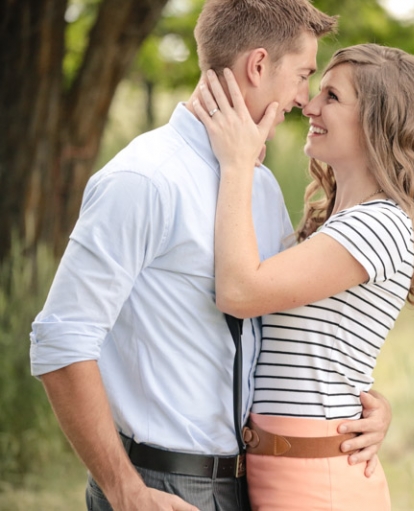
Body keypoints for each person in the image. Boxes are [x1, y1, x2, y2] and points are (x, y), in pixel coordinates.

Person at [29, 2, 392, 511]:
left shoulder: (259, 187)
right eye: (303, 75)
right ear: (258, 66)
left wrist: (365, 405)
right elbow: (61, 339)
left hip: (249, 482)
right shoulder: (144, 178)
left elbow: (282, 326)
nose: (304, 99)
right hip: (161, 485)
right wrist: (124, 489)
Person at [194, 43, 414, 509]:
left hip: (317, 482)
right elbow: (326, 349)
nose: (309, 106)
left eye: (332, 97)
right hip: (288, 470)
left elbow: (239, 292)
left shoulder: (379, 223)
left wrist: (237, 164)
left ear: (379, 122)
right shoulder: (337, 223)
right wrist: (371, 401)